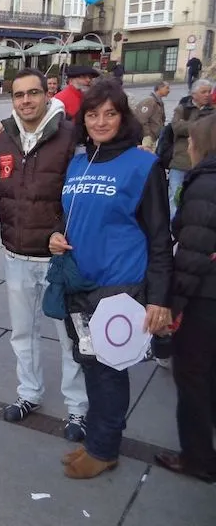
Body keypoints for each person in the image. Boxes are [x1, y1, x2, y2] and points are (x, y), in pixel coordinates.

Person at [50, 78, 172, 479]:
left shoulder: (142, 165)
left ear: (123, 118)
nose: (100, 122)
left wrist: (159, 298)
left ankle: (104, 449)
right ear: (83, 120)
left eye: (109, 114)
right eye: (92, 114)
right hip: (79, 284)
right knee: (90, 363)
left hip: (120, 285)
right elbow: (70, 214)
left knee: (108, 371)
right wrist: (56, 235)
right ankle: (98, 441)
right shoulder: (79, 161)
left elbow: (160, 237)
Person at [0, 68, 89, 441]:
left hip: (56, 259)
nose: (26, 101)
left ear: (47, 95)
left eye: (33, 93)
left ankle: (77, 408)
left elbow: (80, 193)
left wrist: (60, 231)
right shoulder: (3, 138)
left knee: (69, 337)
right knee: (23, 333)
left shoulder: (69, 136)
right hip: (16, 254)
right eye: (19, 95)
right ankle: (29, 393)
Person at [155, 114, 216, 484]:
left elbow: (192, 255)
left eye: (191, 141)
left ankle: (197, 457)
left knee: (192, 375)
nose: (188, 147)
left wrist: (171, 307)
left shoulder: (205, 184)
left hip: (204, 299)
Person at [168, 79, 213, 220]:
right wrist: (201, 126)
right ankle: (174, 225)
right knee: (175, 197)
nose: (207, 95)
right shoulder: (183, 109)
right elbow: (176, 128)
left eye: (209, 91)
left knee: (199, 198)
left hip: (203, 163)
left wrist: (188, 125)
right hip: (180, 161)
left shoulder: (212, 111)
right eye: (203, 92)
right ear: (194, 94)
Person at [135, 81, 170, 151]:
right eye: (167, 88)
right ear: (160, 88)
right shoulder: (150, 101)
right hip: (147, 138)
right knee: (146, 156)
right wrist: (147, 135)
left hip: (153, 137)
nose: (169, 91)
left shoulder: (159, 102)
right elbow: (142, 119)